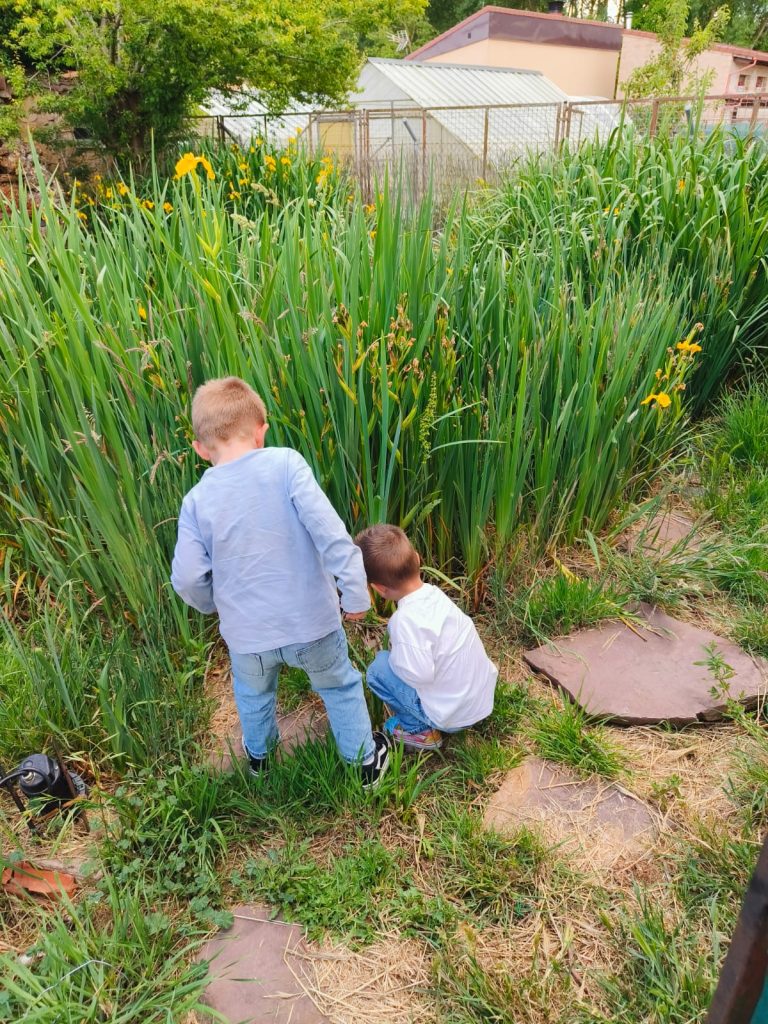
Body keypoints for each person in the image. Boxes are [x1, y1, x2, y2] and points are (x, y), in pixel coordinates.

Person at [171, 377, 390, 788]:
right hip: (312, 625)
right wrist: (355, 592)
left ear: (200, 449)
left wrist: (212, 606)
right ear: (261, 431)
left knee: (254, 697)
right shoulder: (285, 464)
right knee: (339, 686)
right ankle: (364, 766)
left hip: (247, 636)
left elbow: (186, 576)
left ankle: (260, 761)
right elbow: (330, 532)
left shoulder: (196, 500)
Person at [355, 524, 497, 750]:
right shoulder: (436, 595)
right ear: (418, 559)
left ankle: (419, 731)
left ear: (380, 589)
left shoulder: (404, 621)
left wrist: (396, 658)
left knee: (379, 669)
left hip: (453, 716)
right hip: (479, 701)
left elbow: (418, 675)